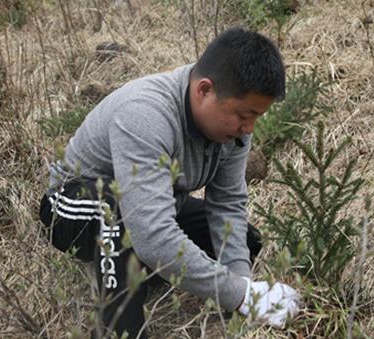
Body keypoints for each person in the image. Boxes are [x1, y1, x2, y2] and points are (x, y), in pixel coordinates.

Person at [39, 27, 300, 338]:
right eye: (245, 115)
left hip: (150, 202)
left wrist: (242, 289)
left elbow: (227, 205)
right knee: (124, 217)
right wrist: (242, 295)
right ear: (204, 90)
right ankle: (120, 329)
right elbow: (151, 234)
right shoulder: (145, 114)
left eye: (257, 116)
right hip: (71, 206)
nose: (249, 128)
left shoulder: (233, 127)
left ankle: (137, 268)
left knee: (246, 239)